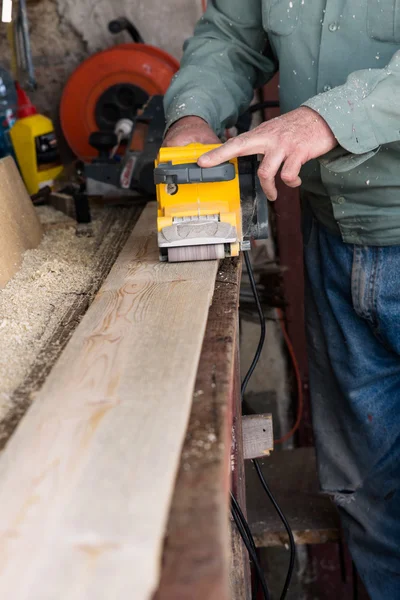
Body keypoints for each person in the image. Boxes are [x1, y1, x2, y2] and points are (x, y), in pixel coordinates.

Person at [162, 2, 400, 598]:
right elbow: (231, 36)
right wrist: (190, 116)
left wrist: (327, 118)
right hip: (336, 236)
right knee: (368, 493)